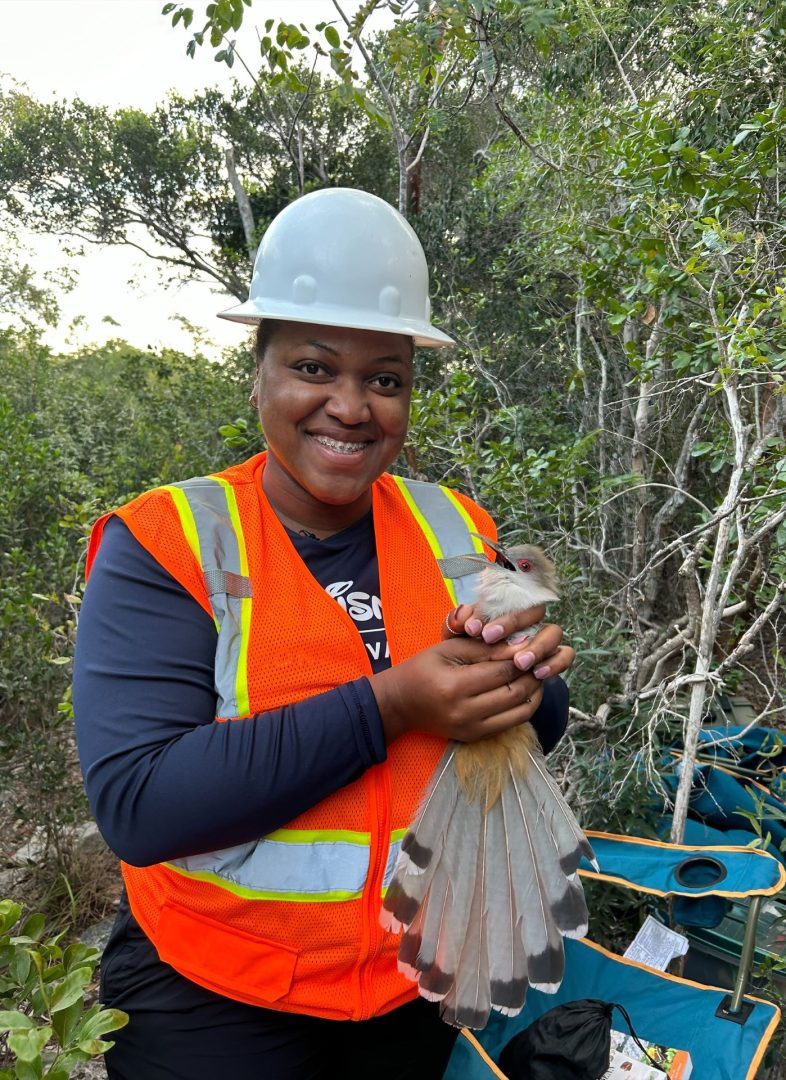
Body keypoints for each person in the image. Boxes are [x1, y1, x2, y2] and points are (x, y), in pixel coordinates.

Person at [73, 188, 576, 1080]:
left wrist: (530, 680)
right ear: (259, 371)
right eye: (314, 367)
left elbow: (522, 727)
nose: (351, 406)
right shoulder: (169, 541)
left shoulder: (453, 525)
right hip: (214, 991)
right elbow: (141, 808)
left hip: (404, 979)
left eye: (385, 379)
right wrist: (394, 702)